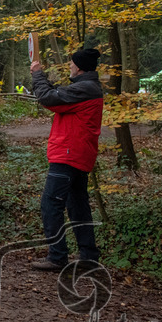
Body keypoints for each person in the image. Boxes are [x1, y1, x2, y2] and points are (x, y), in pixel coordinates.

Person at [29, 49, 104, 271]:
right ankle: (88, 257)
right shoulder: (86, 88)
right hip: (78, 155)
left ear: (79, 67)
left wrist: (37, 75)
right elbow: (59, 94)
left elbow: (47, 98)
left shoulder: (85, 88)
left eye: (71, 63)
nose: (69, 66)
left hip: (68, 155)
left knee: (51, 204)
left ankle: (57, 256)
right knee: (78, 206)